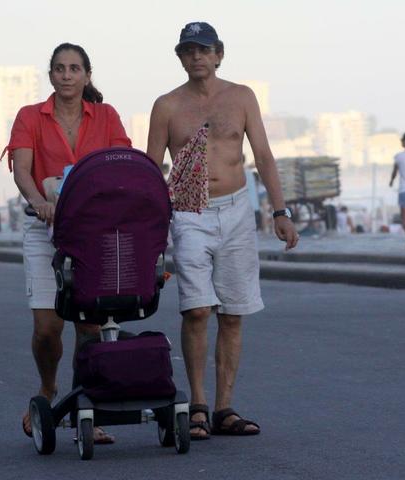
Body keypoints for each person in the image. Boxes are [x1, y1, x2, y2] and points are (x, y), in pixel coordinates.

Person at [147, 22, 298, 440]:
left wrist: (281, 211)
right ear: (180, 58)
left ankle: (223, 408)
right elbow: (152, 168)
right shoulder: (167, 106)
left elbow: (263, 155)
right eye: (189, 50)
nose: (197, 56)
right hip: (189, 210)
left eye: (204, 49)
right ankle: (196, 405)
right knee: (196, 309)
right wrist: (152, 228)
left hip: (236, 211)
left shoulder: (242, 97)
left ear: (219, 54)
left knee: (233, 313)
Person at [5, 43, 131, 444]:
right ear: (51, 75)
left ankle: (86, 406)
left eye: (74, 68)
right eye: (59, 69)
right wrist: (39, 201)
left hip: (94, 232)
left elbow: (123, 162)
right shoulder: (30, 117)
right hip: (46, 229)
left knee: (90, 325)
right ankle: (48, 389)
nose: (66, 75)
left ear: (87, 75)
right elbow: (22, 170)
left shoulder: (106, 116)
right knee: (47, 327)